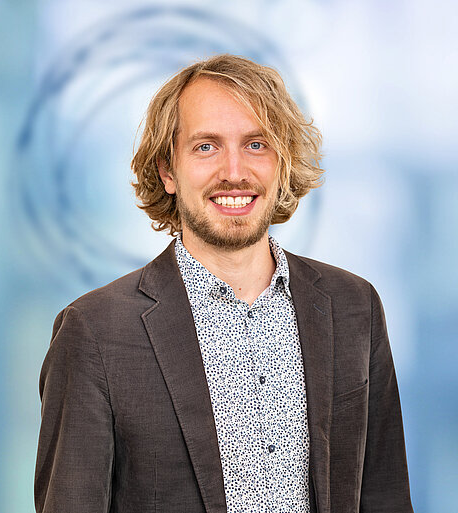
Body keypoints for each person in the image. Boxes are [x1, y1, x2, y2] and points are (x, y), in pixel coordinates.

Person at [34, 54, 414, 513]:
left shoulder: (354, 308)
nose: (234, 172)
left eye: (256, 144)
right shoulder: (95, 332)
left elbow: (386, 497)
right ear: (167, 171)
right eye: (206, 147)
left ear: (282, 163)